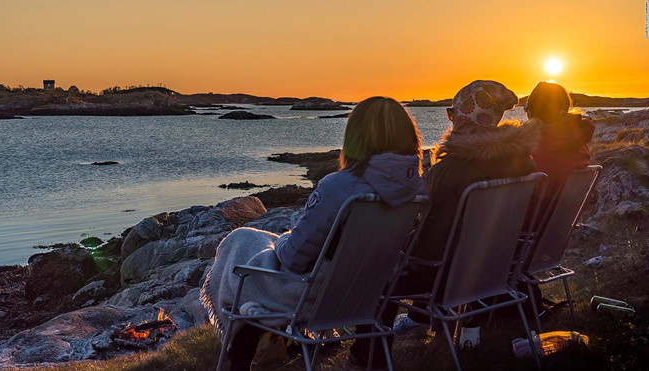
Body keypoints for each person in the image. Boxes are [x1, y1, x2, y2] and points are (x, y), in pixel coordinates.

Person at [201, 96, 425, 371]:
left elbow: (295, 259)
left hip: (319, 295)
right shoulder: (417, 190)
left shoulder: (338, 187)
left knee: (241, 247)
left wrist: (284, 238)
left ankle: (239, 356)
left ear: (356, 138)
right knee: (254, 244)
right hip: (372, 288)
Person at [389, 80, 543, 335]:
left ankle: (368, 355)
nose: (450, 120)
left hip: (447, 276)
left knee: (390, 262)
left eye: (451, 113)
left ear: (462, 119)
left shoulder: (449, 171)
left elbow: (426, 236)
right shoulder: (522, 162)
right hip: (496, 267)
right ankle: (426, 321)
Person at [526, 81, 594, 207]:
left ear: (531, 112)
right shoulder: (580, 145)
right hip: (560, 220)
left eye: (527, 109)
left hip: (527, 220)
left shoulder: (533, 150)